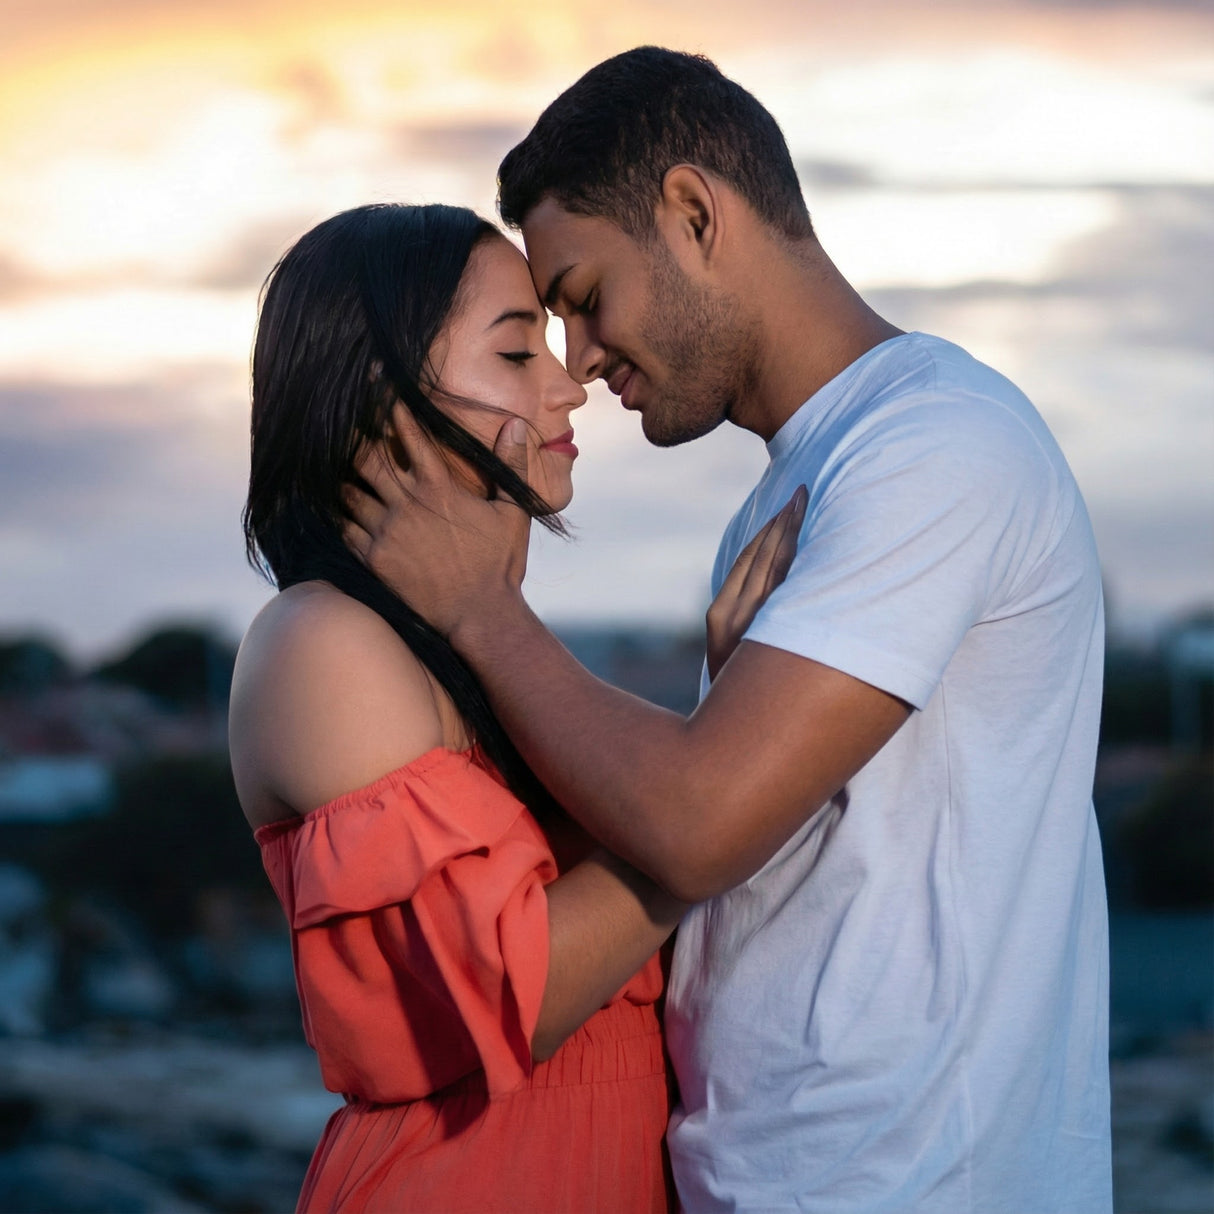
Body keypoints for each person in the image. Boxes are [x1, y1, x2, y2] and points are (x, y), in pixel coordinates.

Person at [343, 48, 1113, 1214]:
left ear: (694, 213)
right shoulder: (802, 485)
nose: (582, 364)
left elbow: (699, 821)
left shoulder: (934, 447)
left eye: (585, 300)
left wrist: (479, 611)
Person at [229, 201, 802, 1212]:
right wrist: (717, 797)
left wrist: (719, 737)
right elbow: (519, 990)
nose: (566, 382)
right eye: (514, 350)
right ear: (383, 399)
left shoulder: (472, 649)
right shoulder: (321, 641)